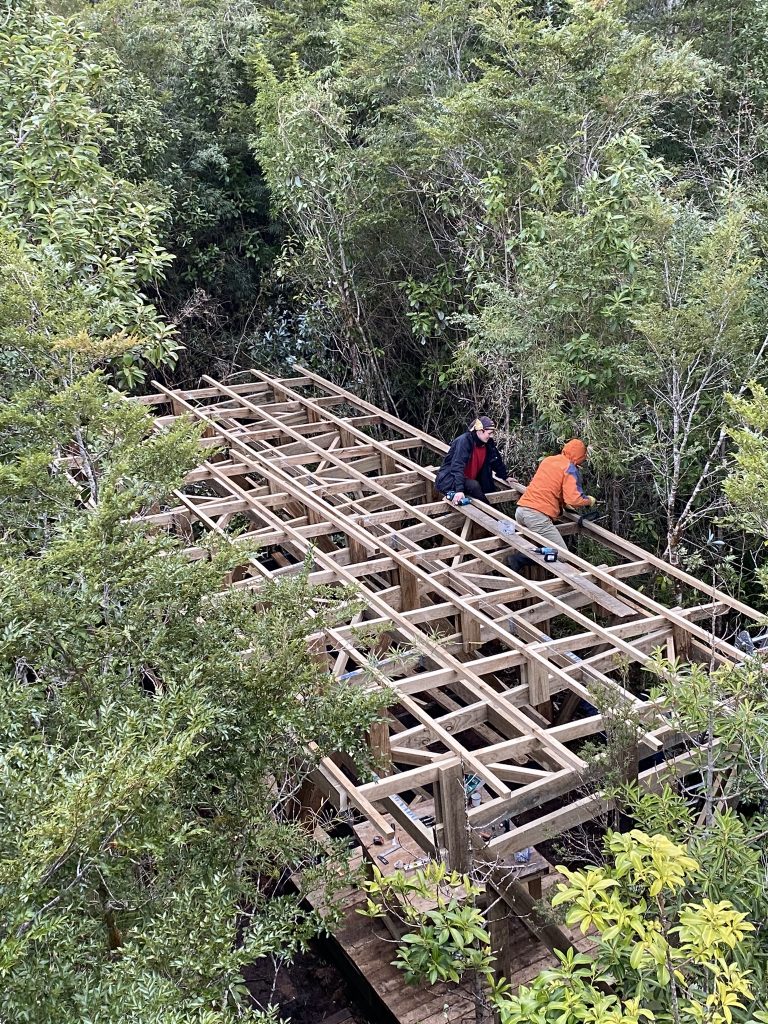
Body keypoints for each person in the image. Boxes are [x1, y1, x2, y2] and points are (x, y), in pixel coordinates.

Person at [514, 438, 596, 549]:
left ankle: (523, 558)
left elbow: (550, 487)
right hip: (536, 516)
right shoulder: (570, 468)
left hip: (521, 511)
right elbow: (574, 499)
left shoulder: (549, 460)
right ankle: (519, 560)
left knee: (536, 545)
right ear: (579, 457)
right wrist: (588, 500)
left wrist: (563, 504)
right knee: (561, 555)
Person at [435, 416, 509, 505]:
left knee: (489, 487)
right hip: (450, 479)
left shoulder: (488, 443)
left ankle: (491, 510)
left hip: (470, 477)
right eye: (489, 433)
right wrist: (459, 490)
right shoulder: (464, 441)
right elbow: (457, 466)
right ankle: (489, 513)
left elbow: (496, 460)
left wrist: (505, 476)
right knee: (474, 486)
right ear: (480, 431)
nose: (491, 436)